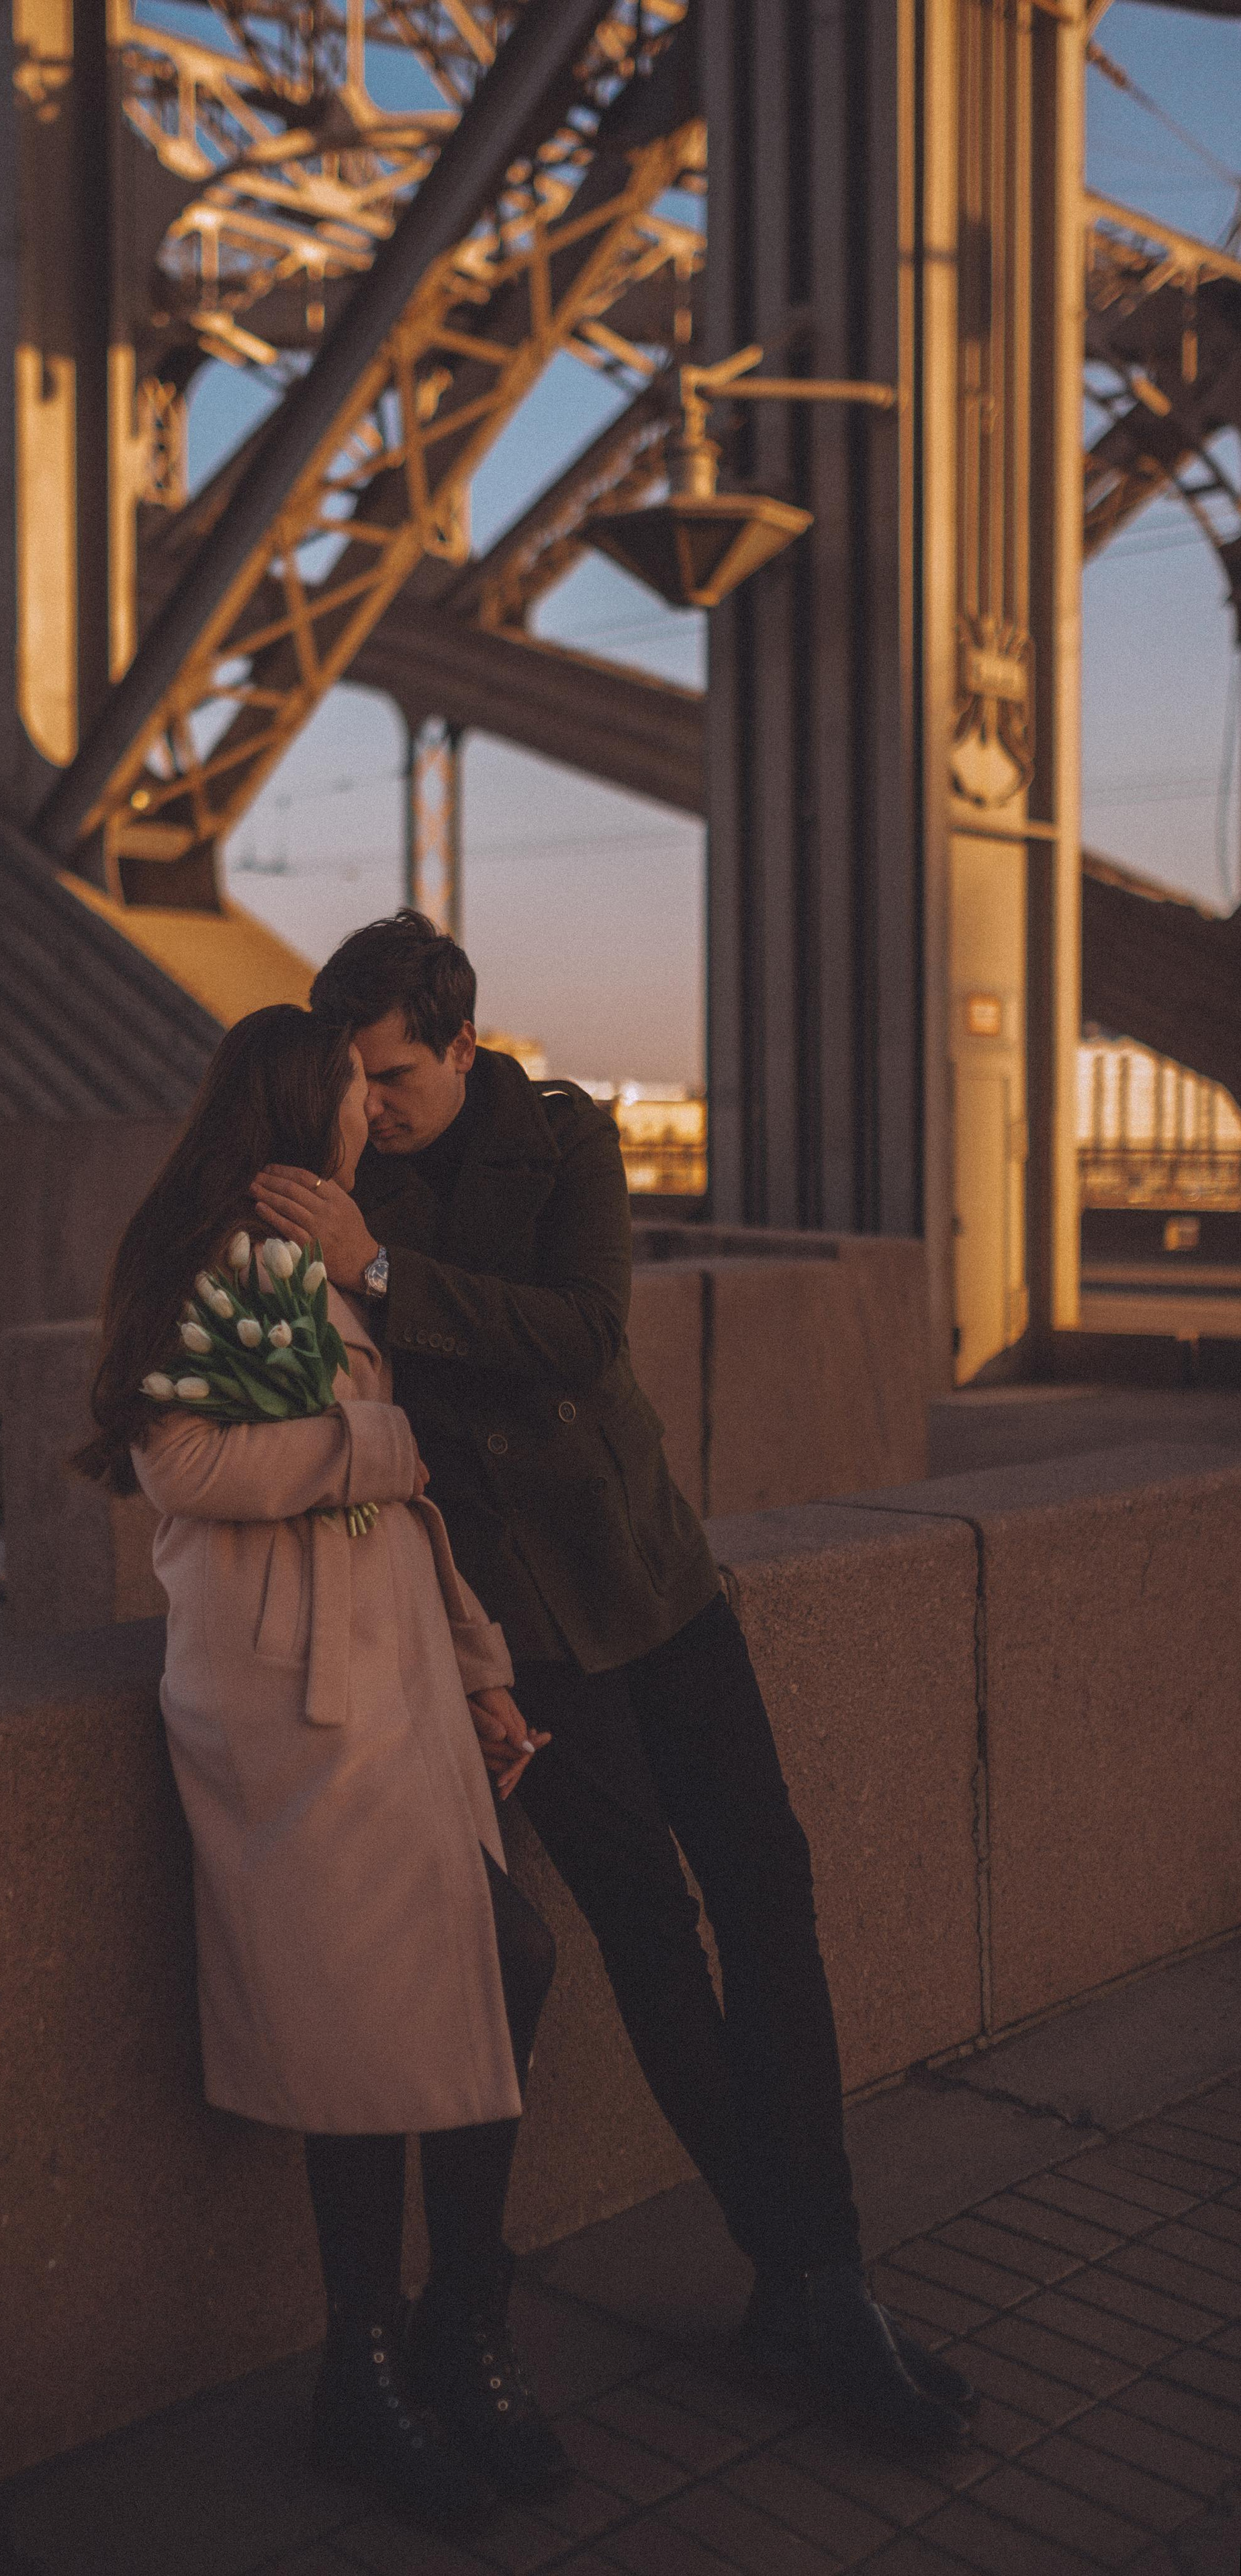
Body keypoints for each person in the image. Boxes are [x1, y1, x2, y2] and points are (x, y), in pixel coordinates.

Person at [246, 913, 976, 2449]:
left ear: (461, 1044)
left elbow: (581, 1336)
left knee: (767, 1895)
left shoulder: (561, 1140)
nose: (370, 1105)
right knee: (648, 1938)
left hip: (654, 1581)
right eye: (351, 1079)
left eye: (393, 1075)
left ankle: (817, 2269)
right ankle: (805, 2280)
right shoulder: (330, 1174)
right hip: (524, 1632)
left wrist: (374, 1266)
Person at [79, 1004, 572, 2526]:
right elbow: (181, 1463)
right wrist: (369, 1445)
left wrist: (479, 1667)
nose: (370, 1106)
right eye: (353, 1086)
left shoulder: (314, 1254)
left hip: (394, 1687)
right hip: (298, 1706)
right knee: (381, 2022)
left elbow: (399, 1510)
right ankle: (375, 2364)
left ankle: (450, 2328)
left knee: (499, 1965)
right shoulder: (222, 1262)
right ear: (305, 1104)